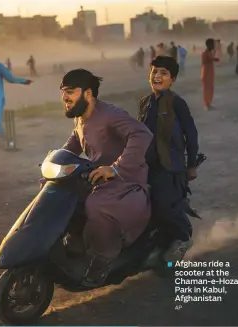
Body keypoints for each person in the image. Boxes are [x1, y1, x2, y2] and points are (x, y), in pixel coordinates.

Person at [60, 68, 152, 287]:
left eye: (70, 91)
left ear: (88, 94)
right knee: (65, 197)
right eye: (64, 91)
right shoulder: (81, 120)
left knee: (95, 204)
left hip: (127, 183)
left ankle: (102, 262)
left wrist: (116, 168)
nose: (65, 97)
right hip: (101, 180)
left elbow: (142, 133)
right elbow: (72, 145)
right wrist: (53, 162)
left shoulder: (109, 115)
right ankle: (77, 244)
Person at [138, 56, 199, 262]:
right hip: (145, 166)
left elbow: (191, 134)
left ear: (172, 79)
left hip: (169, 167)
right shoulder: (144, 103)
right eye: (154, 71)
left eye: (163, 73)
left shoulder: (177, 103)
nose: (157, 76)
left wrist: (191, 165)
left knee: (163, 206)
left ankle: (183, 238)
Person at [201, 38, 219, 111]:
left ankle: (209, 103)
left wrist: (213, 58)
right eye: (213, 44)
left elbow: (211, 58)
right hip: (206, 73)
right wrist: (213, 59)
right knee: (207, 89)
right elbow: (205, 61)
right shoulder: (205, 53)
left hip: (209, 73)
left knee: (210, 88)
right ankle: (207, 104)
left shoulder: (209, 52)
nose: (214, 46)